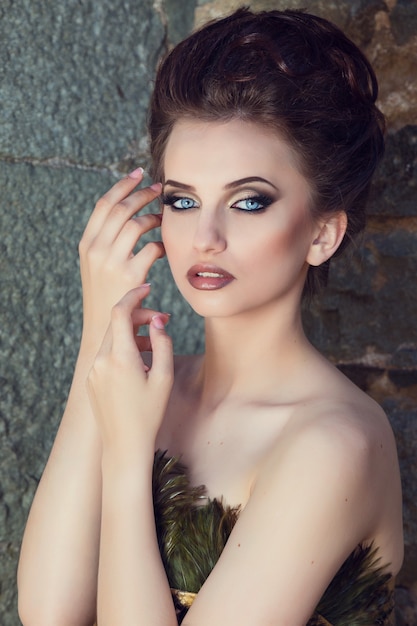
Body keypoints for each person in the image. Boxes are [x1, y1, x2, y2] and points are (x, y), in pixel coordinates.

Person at [17, 7, 403, 626]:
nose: (205, 237)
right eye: (182, 200)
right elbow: (49, 612)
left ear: (323, 233)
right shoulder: (137, 391)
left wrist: (126, 456)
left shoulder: (335, 444)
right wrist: (100, 333)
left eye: (249, 202)